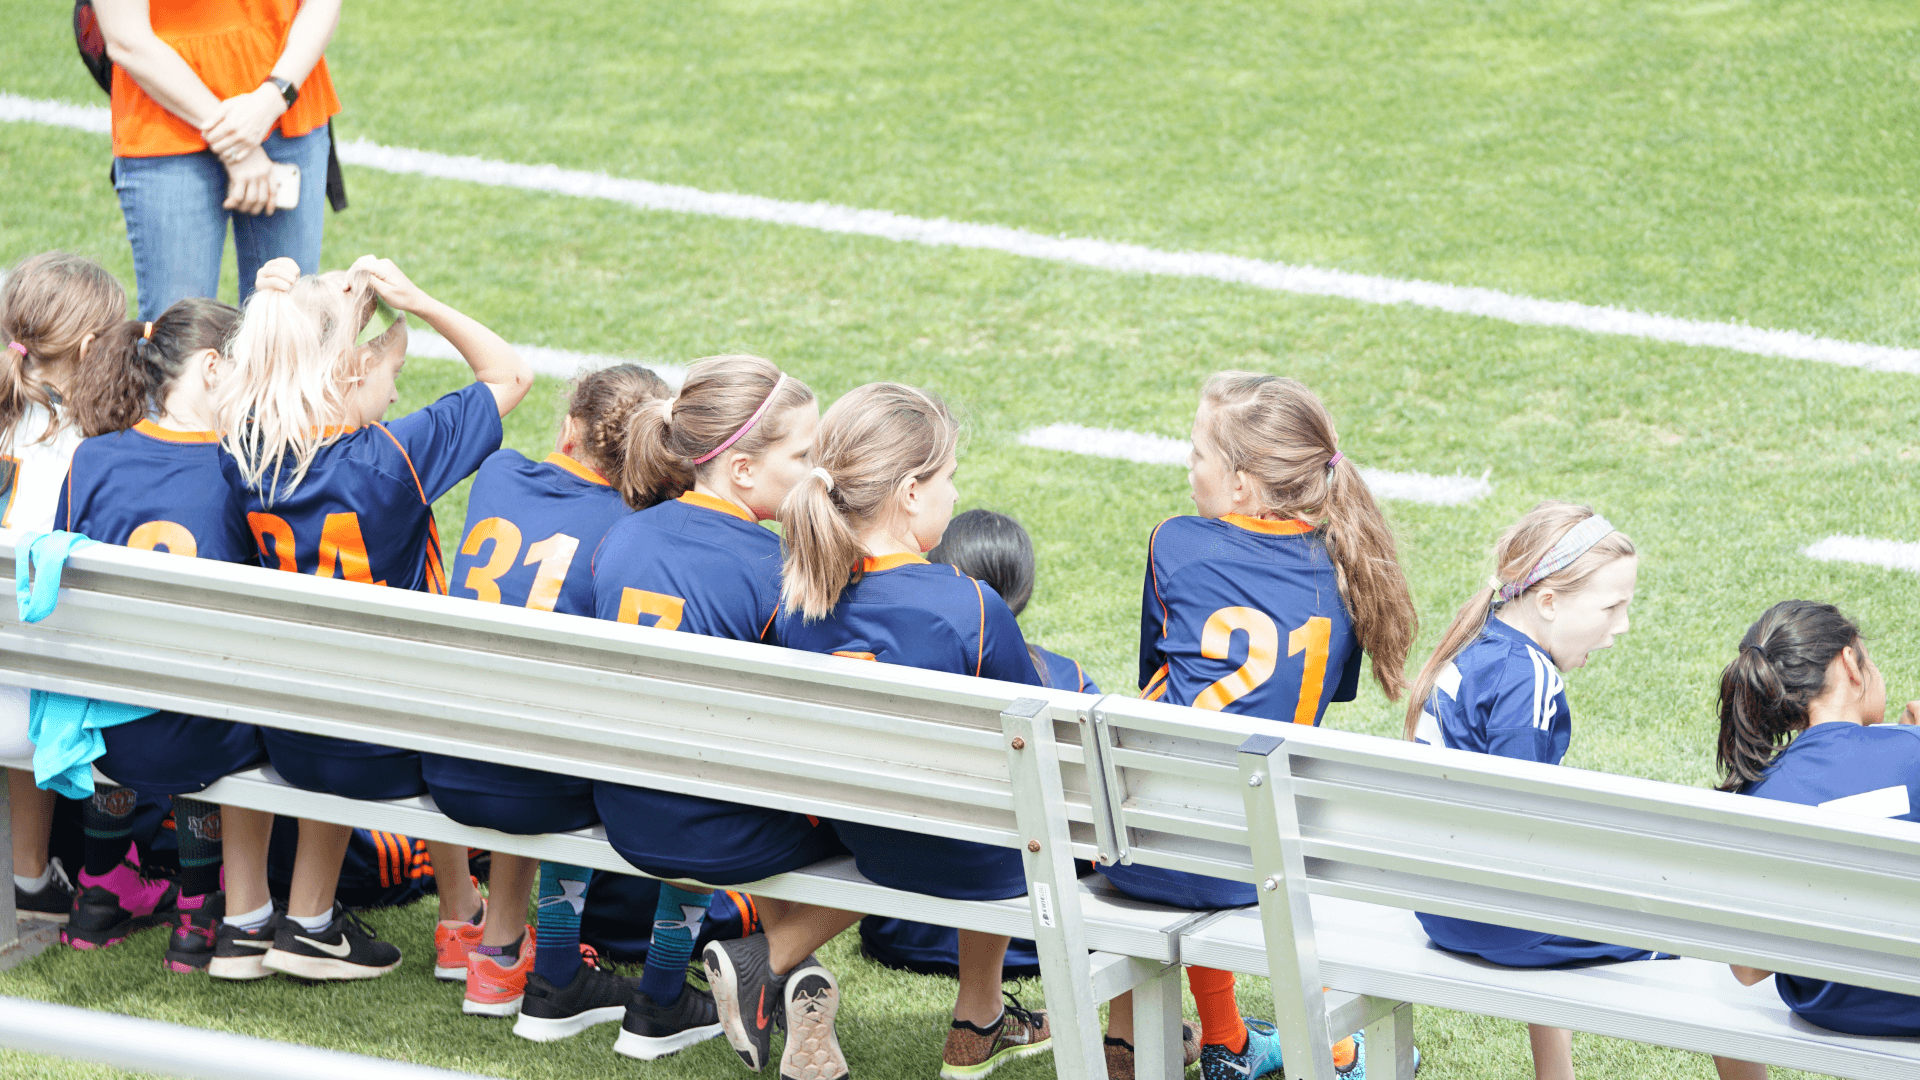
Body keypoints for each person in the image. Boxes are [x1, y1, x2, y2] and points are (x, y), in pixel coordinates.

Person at [719, 382, 1051, 1080]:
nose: (955, 497)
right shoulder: (970, 604)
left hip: (864, 830)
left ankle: (972, 1016)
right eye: (948, 478)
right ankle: (985, 1017)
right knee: (1014, 810)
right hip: (967, 854)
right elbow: (1039, 741)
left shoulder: (800, 599)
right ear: (907, 492)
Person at [214, 255, 532, 979]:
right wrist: (416, 302)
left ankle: (402, 911)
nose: (394, 398)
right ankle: (445, 918)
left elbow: (271, 366)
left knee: (348, 681)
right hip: (384, 738)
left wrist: (323, 311)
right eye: (389, 379)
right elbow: (509, 375)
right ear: (350, 374)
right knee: (429, 693)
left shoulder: (245, 451)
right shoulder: (391, 458)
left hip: (290, 726)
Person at [1099, 372, 1417, 1080]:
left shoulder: (1176, 542)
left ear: (1241, 484)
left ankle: (1226, 1038)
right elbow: (1307, 708)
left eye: (1197, 456)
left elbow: (1162, 674)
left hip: (1144, 851)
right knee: (1274, 798)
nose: (1189, 471)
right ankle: (1335, 1052)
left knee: (1188, 774)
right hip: (1260, 866)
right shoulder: (1346, 574)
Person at [589, 355, 825, 1060]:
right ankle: (773, 962)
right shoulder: (775, 566)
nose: (818, 473)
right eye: (804, 455)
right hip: (709, 831)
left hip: (624, 808)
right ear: (744, 471)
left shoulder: (622, 534)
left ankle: (736, 985)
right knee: (883, 839)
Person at [423, 363, 669, 1021]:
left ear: (569, 428)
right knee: (551, 726)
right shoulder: (633, 529)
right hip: (542, 782)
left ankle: (467, 926)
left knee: (508, 707)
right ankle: (502, 952)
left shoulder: (500, 475)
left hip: (443, 757)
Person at [55, 298, 277, 977]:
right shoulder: (241, 468)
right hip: (198, 729)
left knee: (148, 688)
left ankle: (98, 890)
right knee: (220, 695)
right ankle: (198, 906)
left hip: (106, 728)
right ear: (212, 368)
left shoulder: (93, 457)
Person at [1405, 501, 1650, 1080]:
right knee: (1686, 927)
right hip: (1500, 921)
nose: (1622, 625)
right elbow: (1525, 829)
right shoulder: (1530, 677)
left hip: (1439, 908)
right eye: (1612, 606)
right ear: (1547, 602)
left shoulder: (1471, 650)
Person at [1716, 600, 1920, 1049]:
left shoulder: (1761, 792)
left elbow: (1747, 970)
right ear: (1850, 662)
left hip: (1831, 1007)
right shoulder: (1912, 753)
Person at [0, 252, 128, 929]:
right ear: (89, 349)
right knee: (44, 659)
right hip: (37, 715)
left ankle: (29, 870)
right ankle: (62, 871)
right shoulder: (102, 448)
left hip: (13, 682)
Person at [95, 0, 342, 319]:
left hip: (284, 101)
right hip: (169, 119)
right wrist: (239, 141)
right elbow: (126, 36)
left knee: (290, 328)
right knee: (180, 343)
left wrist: (272, 99)